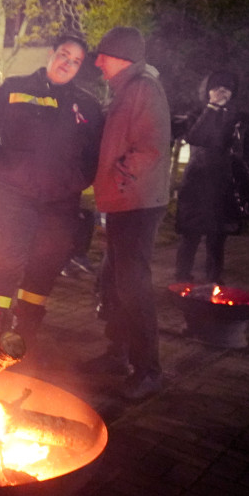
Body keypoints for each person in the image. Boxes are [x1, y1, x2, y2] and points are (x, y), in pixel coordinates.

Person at [0, 34, 103, 360]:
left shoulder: (86, 105)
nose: (67, 64)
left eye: (75, 62)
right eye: (63, 55)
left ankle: (24, 334)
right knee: (3, 263)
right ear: (51, 53)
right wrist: (5, 165)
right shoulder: (15, 89)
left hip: (60, 203)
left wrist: (76, 181)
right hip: (12, 196)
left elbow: (96, 154)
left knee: (45, 267)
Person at [90, 26, 171, 401]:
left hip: (136, 204)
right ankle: (117, 353)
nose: (97, 62)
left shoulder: (142, 89)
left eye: (102, 55)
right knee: (115, 281)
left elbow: (150, 148)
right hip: (127, 201)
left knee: (133, 287)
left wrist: (120, 179)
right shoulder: (129, 89)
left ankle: (148, 370)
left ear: (120, 55)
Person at [174, 70, 249, 285]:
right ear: (207, 90)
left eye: (227, 88)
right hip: (197, 183)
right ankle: (181, 278)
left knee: (218, 237)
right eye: (217, 87)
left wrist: (248, 177)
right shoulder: (197, 113)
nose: (222, 91)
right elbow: (195, 138)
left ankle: (214, 281)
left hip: (223, 185)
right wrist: (212, 108)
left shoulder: (238, 118)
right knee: (190, 235)